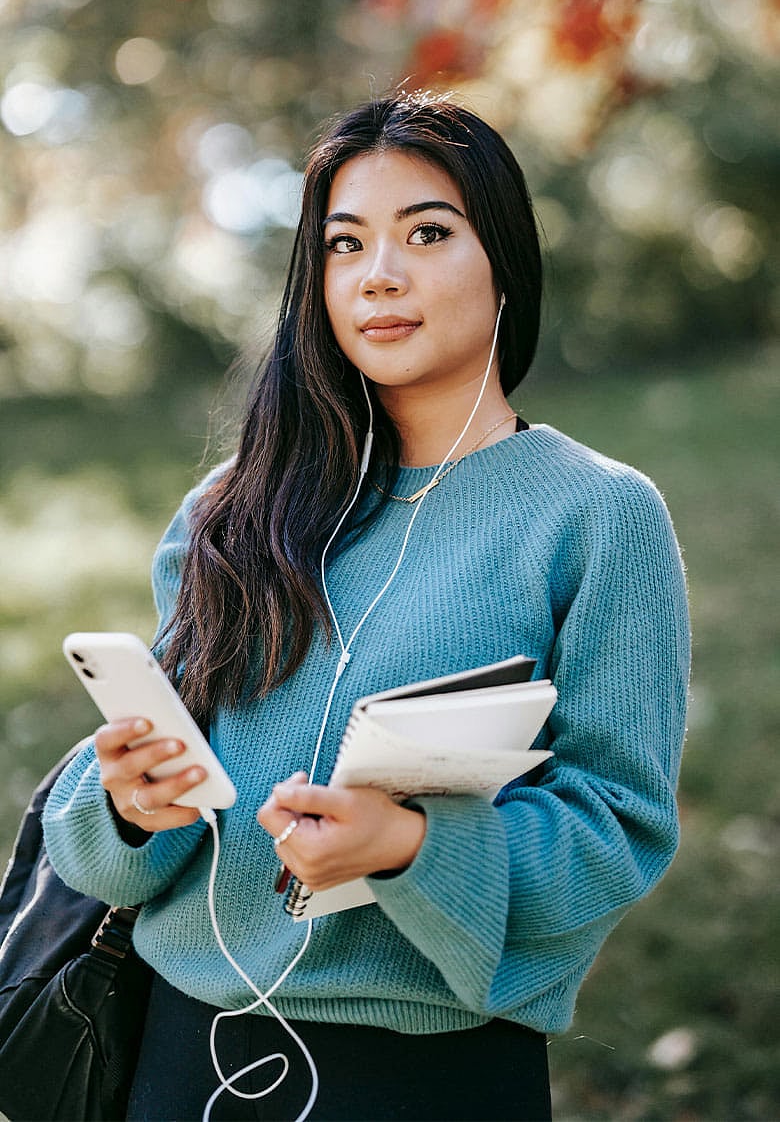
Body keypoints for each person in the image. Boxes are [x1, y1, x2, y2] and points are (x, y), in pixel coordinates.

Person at [42, 90, 690, 1122]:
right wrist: (126, 801)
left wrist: (410, 848)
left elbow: (619, 830)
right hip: (177, 1060)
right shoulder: (232, 507)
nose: (380, 274)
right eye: (346, 245)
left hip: (427, 1076)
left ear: (505, 264)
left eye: (427, 232)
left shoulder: (597, 516)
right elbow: (106, 858)